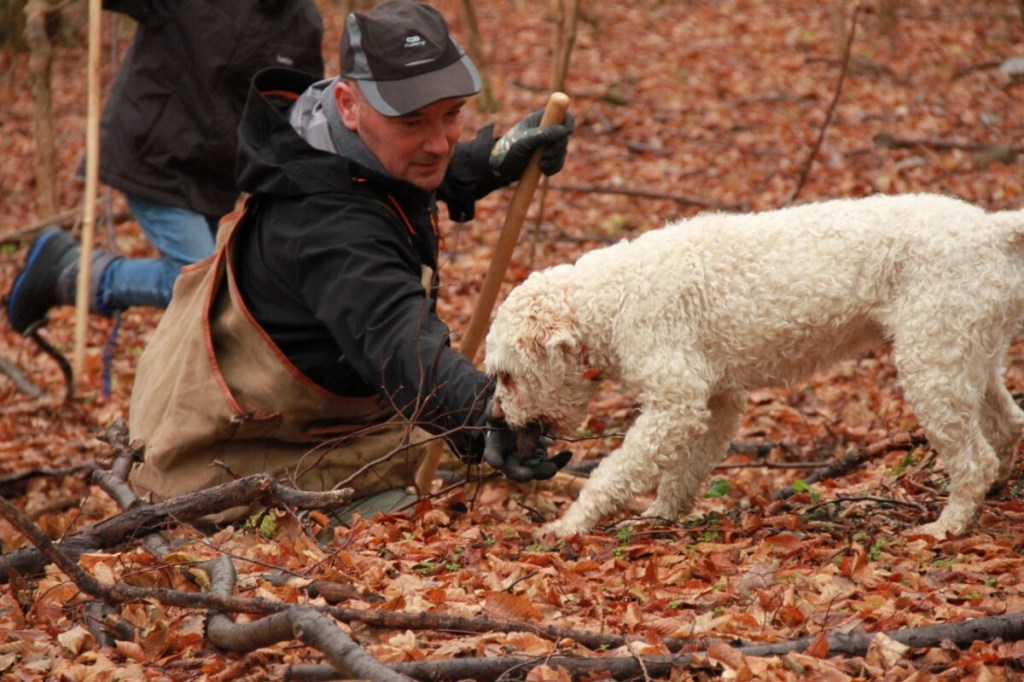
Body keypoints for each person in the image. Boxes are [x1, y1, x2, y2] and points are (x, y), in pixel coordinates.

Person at [127, 0, 574, 522]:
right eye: (412, 121)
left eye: (451, 115)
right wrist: (484, 414)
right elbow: (396, 339)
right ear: (347, 104)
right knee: (406, 527)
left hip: (320, 425)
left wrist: (489, 160)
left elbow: (395, 180)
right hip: (231, 462)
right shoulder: (324, 225)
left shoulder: (335, 146)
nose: (438, 142)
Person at [6, 0, 324, 333]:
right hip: (152, 157)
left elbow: (296, 112)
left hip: (217, 178)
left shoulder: (303, 22)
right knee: (200, 288)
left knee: (218, 293)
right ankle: (67, 272)